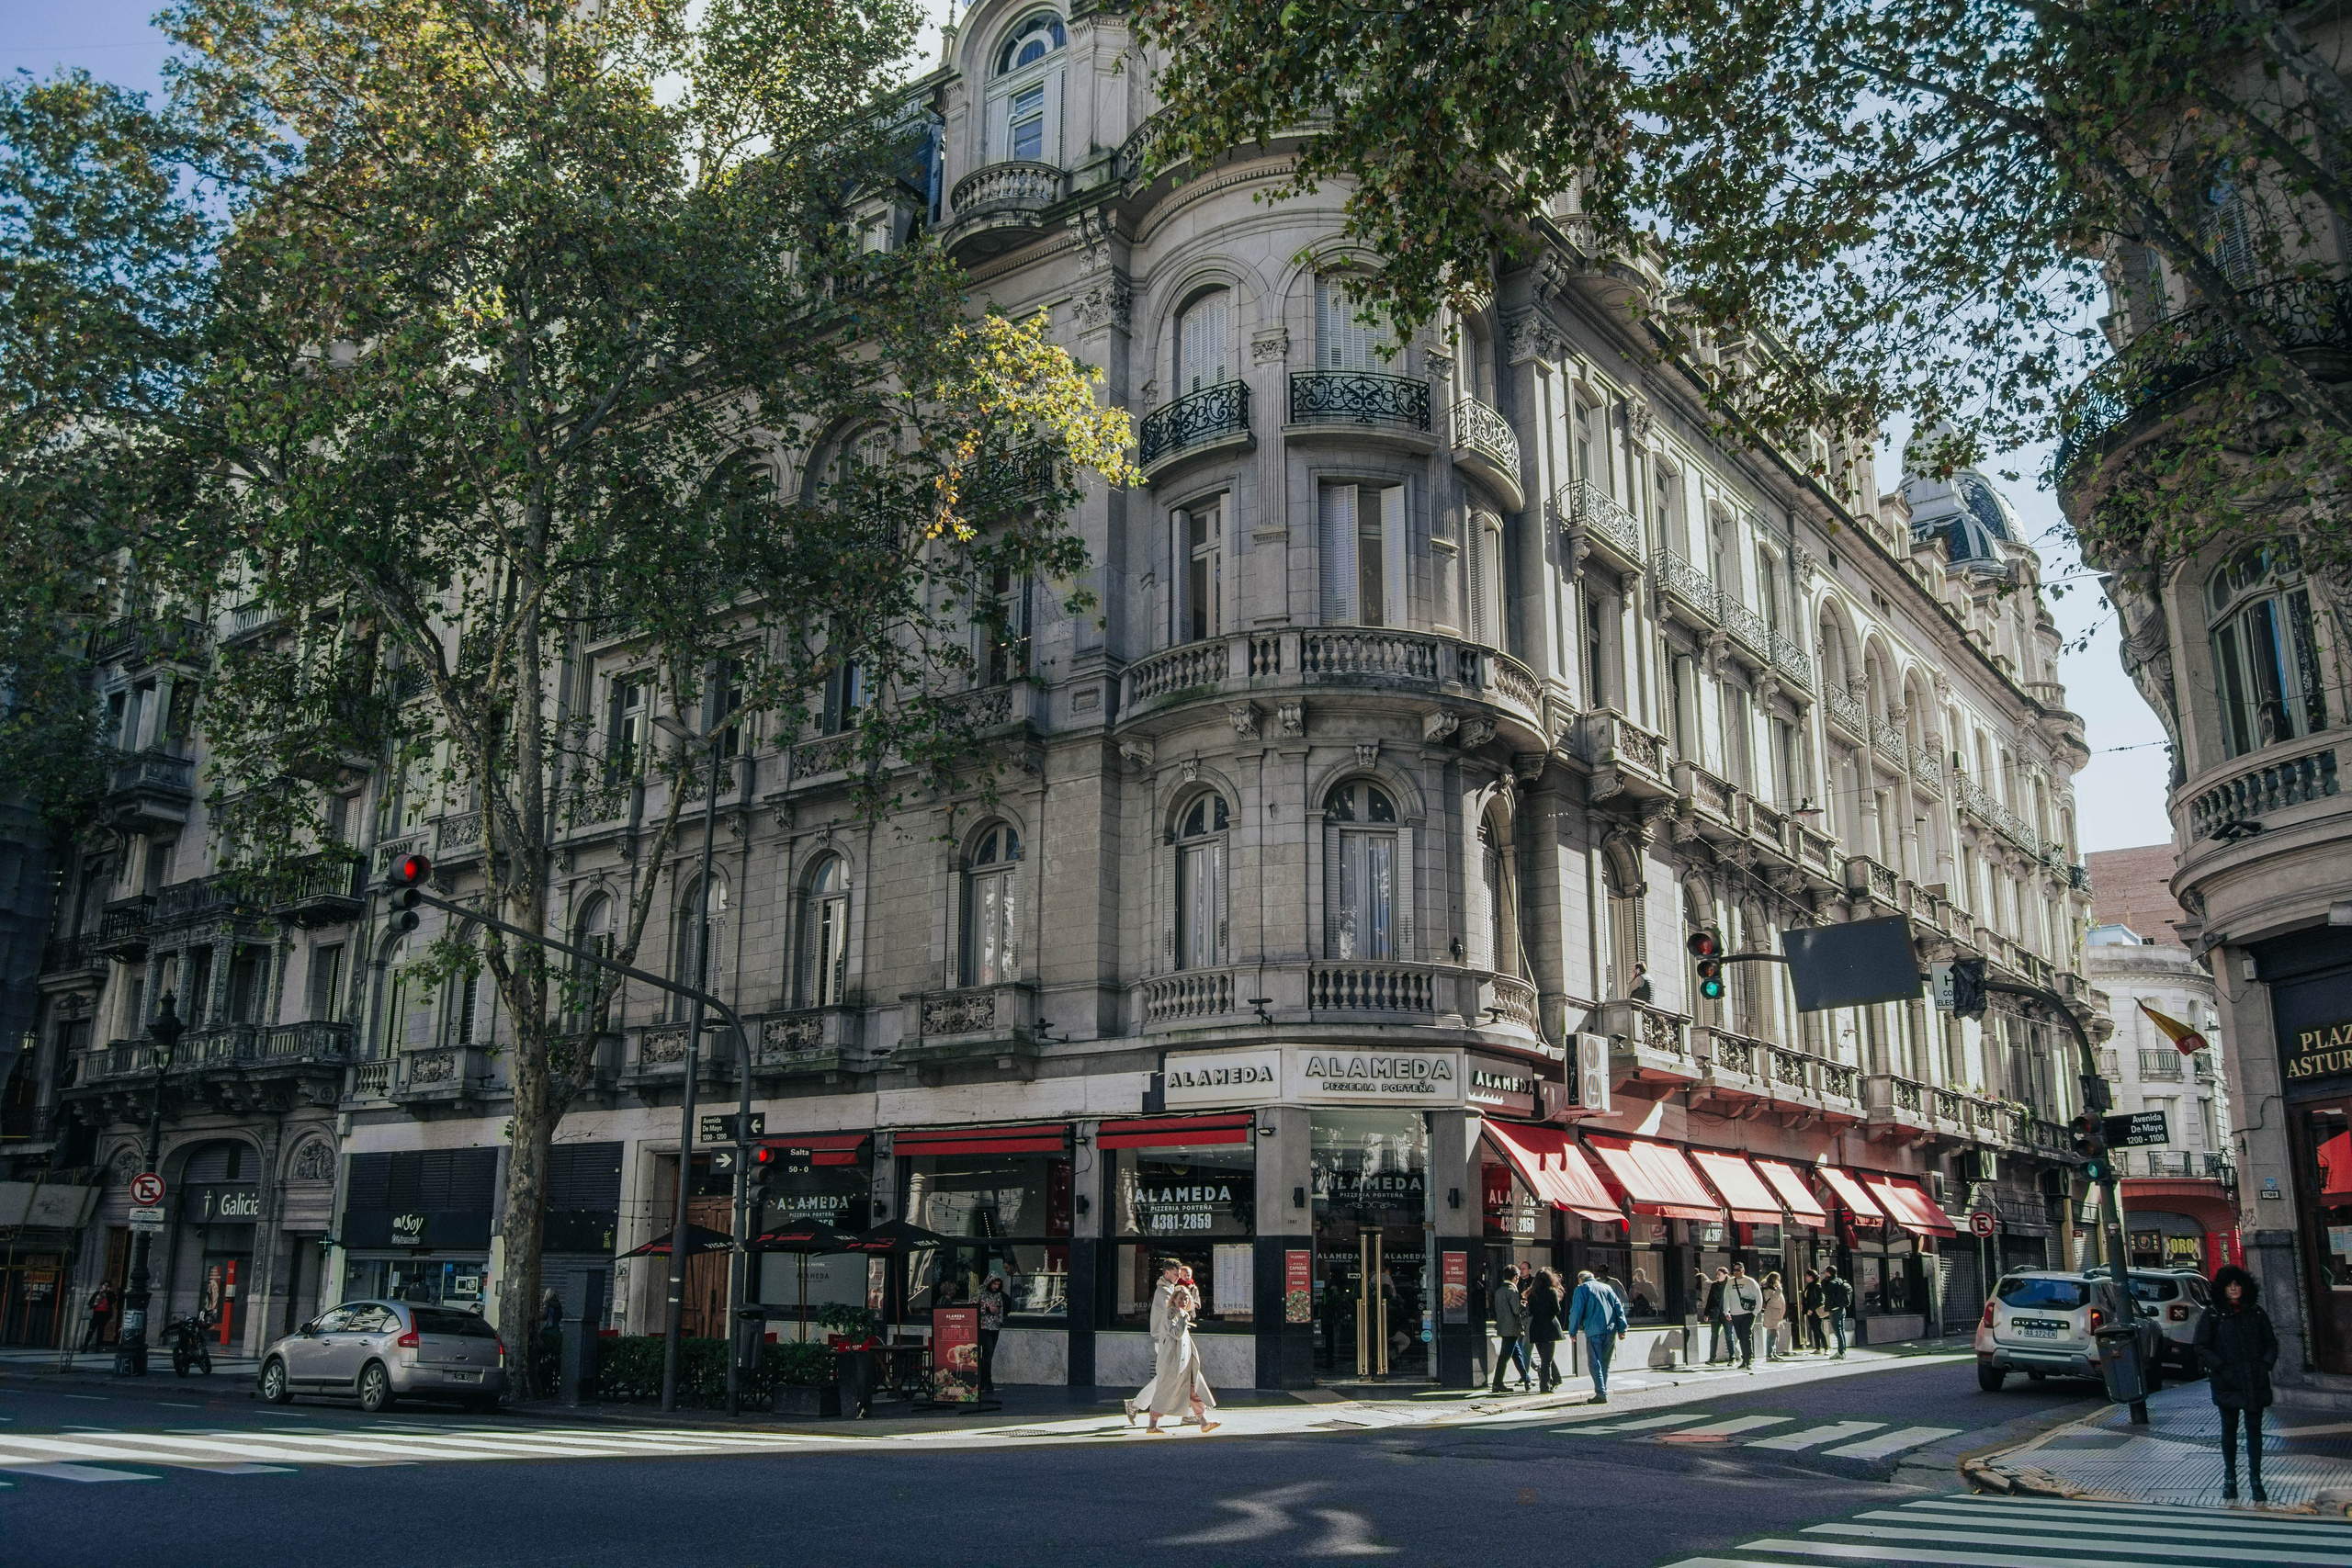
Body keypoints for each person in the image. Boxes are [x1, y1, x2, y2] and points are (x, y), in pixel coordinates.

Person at [2195, 1263, 2279, 1502]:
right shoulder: (2213, 1314)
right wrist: (2221, 1367)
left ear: (2245, 1287)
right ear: (2222, 1288)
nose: (2233, 1288)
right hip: (2227, 1382)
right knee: (2229, 1429)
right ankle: (2230, 1477)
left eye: (2237, 1284)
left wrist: (2264, 1366)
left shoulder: (2256, 1313)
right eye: (2229, 1285)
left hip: (2254, 1379)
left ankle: (2256, 1479)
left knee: (2254, 1430)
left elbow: (2271, 1343)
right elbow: (2201, 1345)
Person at [1145, 1267, 1219, 1434]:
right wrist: (1184, 1320)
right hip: (1172, 1361)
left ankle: (1203, 1422)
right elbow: (1176, 1334)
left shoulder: (1180, 1313)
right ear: (1174, 1299)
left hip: (1182, 1361)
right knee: (1164, 1390)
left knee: (1192, 1390)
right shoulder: (1171, 1314)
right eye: (1181, 1299)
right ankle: (1152, 1425)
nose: (1184, 1302)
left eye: (1186, 1299)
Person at [1125, 1260, 1181, 1425]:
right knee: (1168, 1376)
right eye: (1176, 1274)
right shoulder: (1163, 1292)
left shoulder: (1168, 1290)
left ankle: (1191, 1412)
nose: (1178, 1277)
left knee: (1172, 1376)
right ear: (1167, 1273)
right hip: (1165, 1340)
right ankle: (1136, 1405)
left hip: (1167, 1339)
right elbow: (1172, 1314)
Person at [1566, 1269, 1629, 1403]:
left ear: (1580, 1280)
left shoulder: (1582, 1289)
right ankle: (1602, 1391)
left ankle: (1601, 1393)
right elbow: (1618, 1308)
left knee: (1594, 1364)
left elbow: (1576, 1311)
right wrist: (1622, 1329)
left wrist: (1572, 1331)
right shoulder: (1607, 1288)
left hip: (1593, 1330)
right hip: (1610, 1329)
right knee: (1605, 1364)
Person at [1488, 1262, 1530, 1393]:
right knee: (1505, 1357)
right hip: (1512, 1328)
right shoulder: (1512, 1290)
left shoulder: (1499, 1291)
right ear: (1515, 1277)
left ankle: (1526, 1379)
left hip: (1503, 1327)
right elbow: (1516, 1310)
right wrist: (1523, 1305)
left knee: (1516, 1354)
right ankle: (1497, 1383)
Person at [1524, 1268, 1565, 1393]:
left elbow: (1530, 1311)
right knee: (1547, 1359)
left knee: (1545, 1356)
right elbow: (1557, 1310)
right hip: (1549, 1327)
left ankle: (1556, 1378)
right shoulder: (1551, 1291)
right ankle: (1545, 1386)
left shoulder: (1532, 1293)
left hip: (1536, 1327)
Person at [1724, 1263, 1763, 1370]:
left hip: (1748, 1314)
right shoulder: (1730, 1282)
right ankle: (1744, 1359)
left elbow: (1758, 1296)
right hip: (1735, 1314)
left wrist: (1755, 1311)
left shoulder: (1750, 1282)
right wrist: (1726, 1311)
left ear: (1743, 1271)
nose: (1736, 1272)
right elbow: (1726, 1297)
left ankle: (1749, 1360)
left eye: (1738, 1270)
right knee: (1741, 1337)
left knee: (1747, 1335)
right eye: (1734, 1270)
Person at [978, 1275, 1008, 1396]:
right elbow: (972, 1306)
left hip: (995, 1327)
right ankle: (986, 1380)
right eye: (994, 1284)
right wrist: (987, 1309)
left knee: (989, 1354)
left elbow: (1001, 1309)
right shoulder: (981, 1292)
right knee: (988, 1351)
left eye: (998, 1284)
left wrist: (1000, 1322)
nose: (996, 1286)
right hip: (983, 1326)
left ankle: (983, 1379)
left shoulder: (998, 1295)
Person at [1820, 1267, 1851, 1359]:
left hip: (1834, 1309)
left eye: (1825, 1272)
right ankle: (1842, 1350)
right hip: (1841, 1308)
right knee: (1841, 1330)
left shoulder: (1831, 1283)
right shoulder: (1839, 1281)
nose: (1824, 1273)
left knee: (1837, 1331)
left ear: (1829, 1273)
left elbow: (1825, 1292)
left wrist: (1823, 1282)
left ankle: (1841, 1352)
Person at [1702, 1267, 1731, 1364]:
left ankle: (1732, 1358)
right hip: (1715, 1313)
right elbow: (1710, 1299)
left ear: (1725, 1275)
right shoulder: (1714, 1285)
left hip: (1726, 1313)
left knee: (1729, 1336)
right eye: (1717, 1274)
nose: (1717, 1276)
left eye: (1719, 1274)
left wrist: (1731, 1312)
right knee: (1714, 1336)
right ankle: (1712, 1358)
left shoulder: (1730, 1284)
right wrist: (1706, 1313)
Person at [1759, 1271, 1787, 1361]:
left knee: (1775, 1335)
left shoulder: (1772, 1289)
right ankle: (1769, 1354)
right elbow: (1774, 1299)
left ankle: (1773, 1353)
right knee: (1772, 1334)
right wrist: (1779, 1289)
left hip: (1776, 1313)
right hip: (1772, 1314)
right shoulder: (1768, 1290)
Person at [82, 1283, 116, 1354]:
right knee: (91, 1330)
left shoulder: (110, 1294)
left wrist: (107, 1293)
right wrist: (98, 1298)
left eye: (107, 1286)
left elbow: (113, 1300)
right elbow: (90, 1303)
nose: (105, 1287)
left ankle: (98, 1346)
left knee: (101, 1330)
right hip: (95, 1314)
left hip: (104, 1314)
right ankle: (85, 1346)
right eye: (104, 1285)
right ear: (102, 1286)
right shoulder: (97, 1293)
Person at [1801, 1269, 1826, 1354]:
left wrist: (1812, 1309)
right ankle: (1818, 1348)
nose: (1805, 1277)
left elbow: (1820, 1300)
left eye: (1807, 1276)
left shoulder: (1817, 1286)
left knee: (1818, 1329)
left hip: (1815, 1310)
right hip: (1809, 1311)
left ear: (1811, 1277)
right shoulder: (1809, 1286)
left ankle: (1826, 1347)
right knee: (1814, 1329)